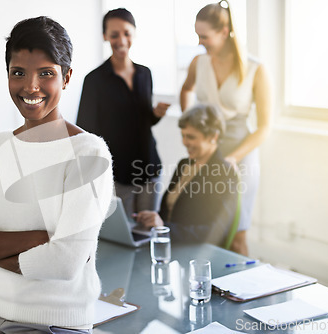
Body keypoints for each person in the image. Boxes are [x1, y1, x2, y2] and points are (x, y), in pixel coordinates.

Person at [0, 17, 114, 334]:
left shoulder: (88, 154)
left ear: (66, 77)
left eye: (46, 73)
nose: (31, 86)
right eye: (18, 72)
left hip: (54, 324)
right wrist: (41, 239)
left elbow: (64, 263)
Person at [179, 0, 271, 255]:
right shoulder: (199, 62)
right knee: (207, 230)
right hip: (208, 153)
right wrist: (189, 125)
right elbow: (187, 89)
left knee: (236, 235)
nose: (199, 42)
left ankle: (246, 292)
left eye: (204, 36)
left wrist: (231, 158)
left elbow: (264, 128)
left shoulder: (255, 69)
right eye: (197, 35)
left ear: (224, 31)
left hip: (239, 157)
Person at [76, 8, 170, 218]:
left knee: (149, 230)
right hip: (117, 175)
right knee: (124, 238)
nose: (121, 40)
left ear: (134, 33)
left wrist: (156, 113)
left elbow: (144, 120)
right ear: (105, 36)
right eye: (114, 34)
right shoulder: (94, 80)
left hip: (150, 169)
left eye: (127, 33)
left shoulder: (145, 74)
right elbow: (85, 132)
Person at [135, 104, 239, 246]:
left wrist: (164, 228)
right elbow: (170, 211)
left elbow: (215, 231)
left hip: (194, 251)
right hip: (171, 245)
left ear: (213, 137)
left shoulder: (224, 173)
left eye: (191, 137)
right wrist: (153, 220)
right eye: (183, 136)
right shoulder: (184, 165)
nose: (185, 142)